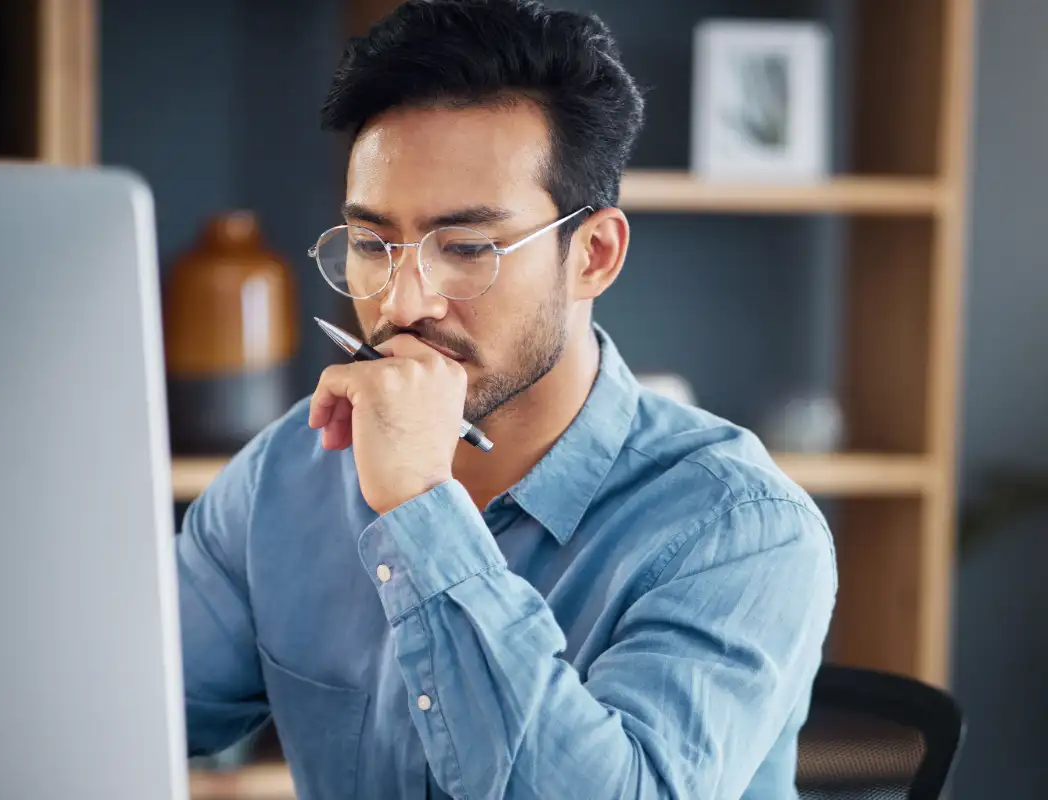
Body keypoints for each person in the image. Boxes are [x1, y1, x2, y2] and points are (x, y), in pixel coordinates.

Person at [176, 0, 837, 797]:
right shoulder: (288, 470)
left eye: (465, 249)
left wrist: (422, 508)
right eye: (373, 244)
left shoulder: (741, 528)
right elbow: (128, 713)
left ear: (593, 254)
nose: (404, 301)